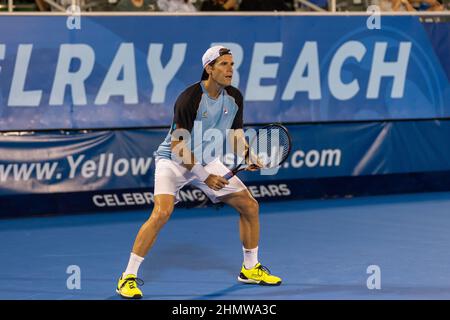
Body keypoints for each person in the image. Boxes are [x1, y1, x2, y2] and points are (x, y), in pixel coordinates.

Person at [116, 45, 282, 299]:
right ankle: (127, 277)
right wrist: (205, 176)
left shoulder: (234, 97)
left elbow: (236, 135)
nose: (230, 70)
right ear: (209, 68)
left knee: (250, 205)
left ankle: (250, 268)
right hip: (172, 161)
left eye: (232, 64)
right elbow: (177, 145)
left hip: (207, 160)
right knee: (162, 212)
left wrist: (248, 155)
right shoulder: (190, 97)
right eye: (224, 64)